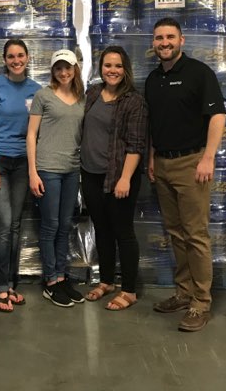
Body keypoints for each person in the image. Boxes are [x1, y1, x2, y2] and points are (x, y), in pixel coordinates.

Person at [144, 17, 225, 332]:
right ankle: (184, 292)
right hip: (163, 164)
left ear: (181, 40)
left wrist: (208, 158)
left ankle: (201, 303)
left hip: (192, 164)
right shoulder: (153, 79)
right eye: (159, 38)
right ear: (153, 43)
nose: (164, 42)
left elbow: (217, 116)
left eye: (170, 37)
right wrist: (153, 157)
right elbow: (155, 124)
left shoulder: (199, 73)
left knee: (196, 235)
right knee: (176, 233)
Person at [81, 46, 147, 311]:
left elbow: (136, 144)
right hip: (90, 175)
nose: (112, 70)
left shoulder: (133, 101)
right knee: (102, 230)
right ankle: (107, 281)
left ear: (125, 69)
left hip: (118, 178)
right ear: (101, 68)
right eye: (108, 65)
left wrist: (125, 178)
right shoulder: (93, 93)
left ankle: (129, 290)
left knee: (123, 232)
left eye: (118, 66)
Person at [0, 39, 41, 312]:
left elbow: (36, 132)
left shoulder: (36, 90)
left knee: (15, 225)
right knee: (4, 224)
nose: (16, 60)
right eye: (11, 56)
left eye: (20, 55)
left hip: (23, 163)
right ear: (4, 59)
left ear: (28, 58)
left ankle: (11, 284)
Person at [27, 48, 85, 308]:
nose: (63, 72)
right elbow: (31, 135)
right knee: (50, 225)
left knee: (65, 225)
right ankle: (50, 281)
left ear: (75, 69)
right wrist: (33, 172)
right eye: (58, 68)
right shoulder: (44, 96)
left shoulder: (82, 98)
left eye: (67, 67)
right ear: (53, 71)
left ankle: (61, 276)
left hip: (72, 168)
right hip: (48, 169)